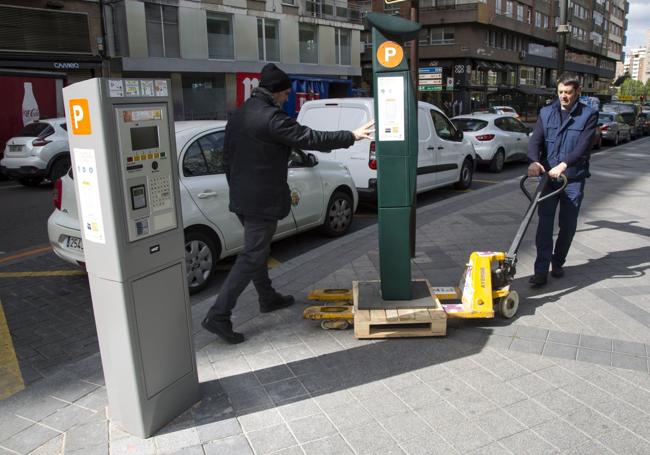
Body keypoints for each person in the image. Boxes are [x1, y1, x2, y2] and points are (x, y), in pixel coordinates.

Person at [202, 63, 374, 343]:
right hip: (261, 200)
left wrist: (238, 189)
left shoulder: (239, 114)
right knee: (252, 256)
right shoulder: (272, 118)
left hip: (243, 197)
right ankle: (218, 315)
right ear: (278, 92)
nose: (286, 99)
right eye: (285, 95)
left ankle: (267, 298)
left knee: (257, 250)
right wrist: (351, 136)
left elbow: (227, 158)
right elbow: (310, 138)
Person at [527, 73, 597, 287]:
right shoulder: (546, 112)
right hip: (549, 179)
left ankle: (558, 262)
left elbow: (583, 146)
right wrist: (533, 161)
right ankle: (541, 271)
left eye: (568, 92)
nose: (564, 96)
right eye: (560, 92)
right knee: (544, 226)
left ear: (577, 93)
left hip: (573, 179)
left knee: (567, 225)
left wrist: (564, 164)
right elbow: (535, 140)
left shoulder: (588, 115)